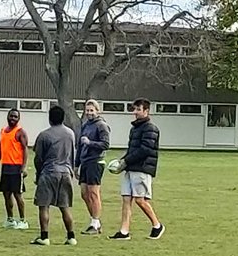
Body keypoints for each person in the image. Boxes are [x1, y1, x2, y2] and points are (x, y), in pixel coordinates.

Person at [108, 98, 165, 240]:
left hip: (142, 169)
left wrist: (126, 161)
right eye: (134, 109)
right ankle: (124, 231)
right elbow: (132, 150)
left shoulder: (150, 128)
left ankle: (157, 225)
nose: (135, 112)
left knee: (140, 200)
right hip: (131, 168)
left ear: (146, 111)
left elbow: (145, 150)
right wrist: (122, 162)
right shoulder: (134, 129)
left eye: (138, 109)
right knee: (126, 198)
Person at [30, 105, 77, 246]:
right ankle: (71, 236)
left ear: (50, 118)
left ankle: (44, 237)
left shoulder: (44, 135)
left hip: (49, 172)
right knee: (65, 206)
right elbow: (72, 154)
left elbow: (38, 158)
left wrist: (38, 174)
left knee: (43, 205)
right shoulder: (70, 134)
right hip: (65, 172)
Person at [75, 98, 111, 235]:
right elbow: (80, 146)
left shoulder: (101, 125)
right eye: (87, 110)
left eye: (92, 110)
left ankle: (94, 224)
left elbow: (105, 144)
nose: (89, 113)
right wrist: (76, 165)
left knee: (93, 193)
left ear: (97, 111)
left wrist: (90, 143)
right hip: (85, 162)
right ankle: (96, 221)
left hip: (95, 161)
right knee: (84, 193)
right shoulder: (85, 125)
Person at [0, 107, 29, 229]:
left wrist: (24, 167)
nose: (13, 118)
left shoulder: (20, 132)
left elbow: (25, 149)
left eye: (15, 117)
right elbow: (0, 149)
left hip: (16, 167)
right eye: (11, 116)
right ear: (7, 116)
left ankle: (23, 220)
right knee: (6, 194)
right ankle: (10, 219)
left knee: (18, 195)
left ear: (18, 119)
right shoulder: (3, 131)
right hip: (5, 167)